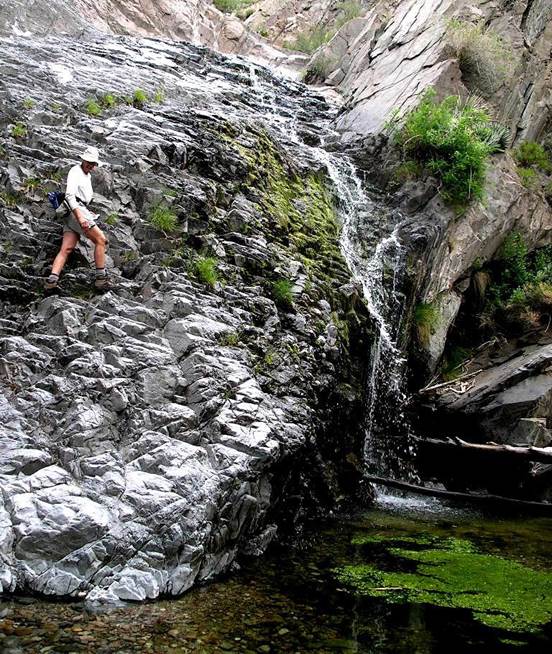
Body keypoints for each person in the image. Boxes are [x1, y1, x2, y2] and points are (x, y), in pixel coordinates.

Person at [44, 146, 111, 290]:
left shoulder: (87, 175)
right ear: (83, 159)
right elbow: (70, 196)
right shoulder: (75, 171)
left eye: (93, 163)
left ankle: (52, 280)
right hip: (76, 211)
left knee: (66, 249)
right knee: (101, 240)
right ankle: (101, 279)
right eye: (88, 161)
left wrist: (87, 212)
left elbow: (82, 199)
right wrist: (81, 217)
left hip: (74, 213)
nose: (90, 165)